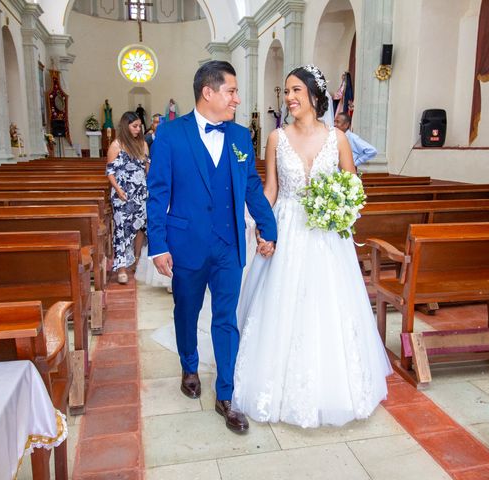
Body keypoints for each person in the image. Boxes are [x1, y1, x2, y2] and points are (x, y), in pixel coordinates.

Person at [232, 65, 392, 428]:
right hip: (286, 226)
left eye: (296, 91)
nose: (289, 98)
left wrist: (339, 209)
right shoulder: (276, 138)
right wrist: (260, 229)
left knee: (328, 307)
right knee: (279, 302)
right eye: (287, 91)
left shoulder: (337, 139)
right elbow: (270, 190)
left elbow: (352, 186)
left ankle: (335, 388)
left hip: (325, 235)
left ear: (314, 97)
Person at [147, 60, 277, 433]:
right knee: (186, 313)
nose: (237, 98)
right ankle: (189, 365)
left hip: (229, 246)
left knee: (226, 319)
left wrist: (268, 228)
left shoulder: (238, 138)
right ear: (209, 92)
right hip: (185, 244)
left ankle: (226, 395)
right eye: (231, 91)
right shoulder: (170, 134)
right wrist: (158, 245)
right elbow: (157, 194)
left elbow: (251, 185)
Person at [106, 112, 149, 284]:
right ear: (126, 126)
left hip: (140, 193)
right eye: (135, 126)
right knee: (122, 230)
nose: (138, 129)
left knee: (140, 227)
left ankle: (137, 261)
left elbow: (147, 169)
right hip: (122, 195)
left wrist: (147, 190)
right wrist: (118, 190)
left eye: (139, 126)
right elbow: (110, 172)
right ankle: (122, 267)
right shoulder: (116, 145)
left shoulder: (143, 145)